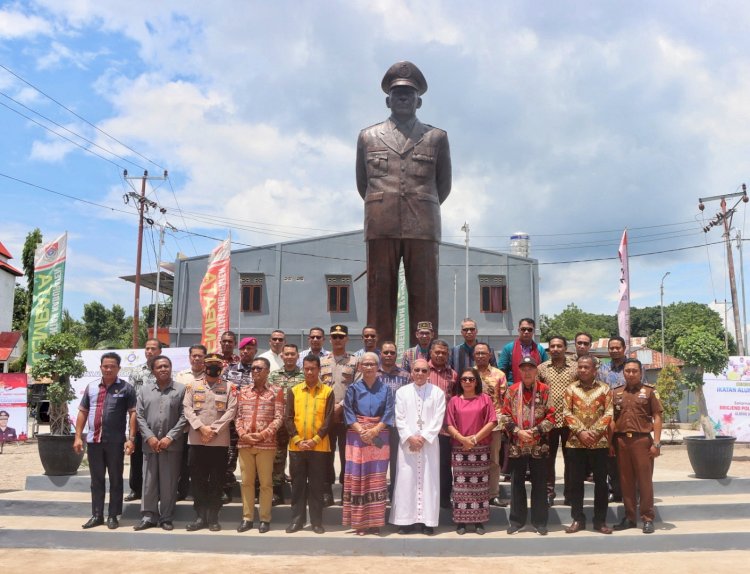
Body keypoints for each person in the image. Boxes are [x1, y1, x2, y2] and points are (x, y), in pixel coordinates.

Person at [356, 61, 452, 344]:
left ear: (418, 101)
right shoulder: (367, 136)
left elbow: (442, 185)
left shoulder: (436, 137)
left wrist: (421, 205)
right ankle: (381, 360)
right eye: (397, 93)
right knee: (379, 298)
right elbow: (363, 183)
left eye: (408, 94)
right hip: (380, 223)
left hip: (422, 225)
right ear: (388, 99)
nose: (402, 98)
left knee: (425, 297)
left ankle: (423, 358)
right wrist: (386, 204)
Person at [73, 352, 137, 530]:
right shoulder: (91, 387)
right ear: (100, 367)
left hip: (116, 442)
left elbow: (133, 413)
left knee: (116, 480)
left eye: (112, 366)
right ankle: (97, 515)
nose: (108, 369)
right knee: (96, 480)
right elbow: (83, 412)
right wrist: (78, 437)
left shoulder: (126, 388)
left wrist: (131, 439)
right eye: (105, 366)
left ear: (118, 368)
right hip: (94, 441)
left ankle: (113, 516)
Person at [390, 359, 446, 535]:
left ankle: (427, 522)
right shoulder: (402, 392)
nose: (420, 374)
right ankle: (405, 521)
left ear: (429, 373)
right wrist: (409, 437)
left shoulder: (437, 393)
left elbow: (439, 418)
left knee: (429, 481)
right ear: (411, 372)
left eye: (424, 370)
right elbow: (399, 417)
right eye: (417, 370)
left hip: (429, 444)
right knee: (407, 480)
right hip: (408, 444)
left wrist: (424, 437)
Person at [500, 356, 555, 536]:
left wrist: (534, 432)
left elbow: (552, 416)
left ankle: (540, 521)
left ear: (536, 371)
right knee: (517, 483)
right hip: (517, 443)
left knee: (540, 483)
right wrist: (518, 432)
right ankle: (516, 521)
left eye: (530, 368)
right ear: (519, 371)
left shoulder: (545, 390)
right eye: (523, 369)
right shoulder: (512, 391)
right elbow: (505, 416)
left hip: (539, 444)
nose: (527, 372)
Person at [183, 353, 237, 532]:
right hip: (197, 440)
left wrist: (213, 430)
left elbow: (231, 411)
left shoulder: (230, 387)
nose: (213, 368)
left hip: (218, 441)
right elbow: (187, 408)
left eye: (216, 365)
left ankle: (213, 517)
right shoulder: (192, 386)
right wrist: (201, 428)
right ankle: (199, 516)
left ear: (221, 367)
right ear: (204, 367)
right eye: (209, 365)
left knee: (216, 481)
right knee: (197, 480)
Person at [343, 352, 395, 535]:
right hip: (356, 436)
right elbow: (348, 413)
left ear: (377, 366)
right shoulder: (353, 389)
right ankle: (360, 523)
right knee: (358, 477)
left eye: (372, 364)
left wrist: (374, 430)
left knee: (377, 478)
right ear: (360, 367)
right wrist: (362, 431)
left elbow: (389, 412)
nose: (369, 367)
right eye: (365, 364)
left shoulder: (386, 389)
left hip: (379, 436)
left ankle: (375, 522)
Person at [133, 355, 187, 532]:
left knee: (169, 483)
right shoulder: (144, 391)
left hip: (171, 446)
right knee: (148, 483)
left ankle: (166, 517)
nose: (163, 369)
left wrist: (169, 437)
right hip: (150, 445)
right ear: (153, 371)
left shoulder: (181, 390)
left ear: (171, 368)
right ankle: (148, 516)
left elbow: (184, 416)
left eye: (166, 366)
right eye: (159, 367)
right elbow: (139, 416)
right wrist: (149, 436)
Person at [563, 355, 614, 535]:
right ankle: (578, 518)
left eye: (587, 367)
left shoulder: (605, 389)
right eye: (580, 367)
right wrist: (581, 432)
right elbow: (566, 412)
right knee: (575, 483)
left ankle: (600, 521)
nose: (583, 370)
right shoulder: (570, 389)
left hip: (599, 443)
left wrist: (595, 432)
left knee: (601, 483)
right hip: (576, 442)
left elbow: (609, 412)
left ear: (594, 370)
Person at [611, 358, 663, 534]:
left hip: (642, 441)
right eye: (627, 371)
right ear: (623, 373)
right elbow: (611, 420)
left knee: (645, 481)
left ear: (641, 372)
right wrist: (611, 442)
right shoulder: (616, 393)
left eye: (634, 371)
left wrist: (656, 443)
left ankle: (647, 518)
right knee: (626, 481)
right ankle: (630, 517)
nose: (631, 374)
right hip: (621, 441)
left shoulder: (649, 392)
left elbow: (657, 416)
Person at [285, 355, 335, 534]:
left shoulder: (327, 392)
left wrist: (314, 440)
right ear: (303, 369)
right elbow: (288, 418)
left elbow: (329, 419)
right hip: (297, 447)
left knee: (316, 486)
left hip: (319, 447)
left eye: (313, 368)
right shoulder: (294, 390)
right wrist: (298, 439)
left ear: (319, 369)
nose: (309, 372)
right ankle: (297, 521)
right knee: (297, 485)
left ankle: (316, 522)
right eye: (306, 368)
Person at [235, 357, 285, 534]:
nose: (255, 371)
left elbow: (279, 418)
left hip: (267, 444)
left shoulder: (276, 391)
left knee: (265, 483)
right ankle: (247, 518)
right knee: (247, 482)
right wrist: (243, 434)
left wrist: (263, 434)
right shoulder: (243, 391)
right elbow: (238, 416)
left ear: (267, 371)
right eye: (253, 368)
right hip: (245, 443)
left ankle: (264, 519)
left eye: (259, 368)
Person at [446, 367, 497, 535]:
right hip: (460, 448)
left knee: (480, 486)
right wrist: (463, 439)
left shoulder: (485, 399)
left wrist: (474, 439)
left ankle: (478, 522)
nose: (467, 382)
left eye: (471, 379)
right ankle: (461, 521)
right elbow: (449, 424)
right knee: (461, 486)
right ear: (460, 382)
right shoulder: (454, 401)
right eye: (464, 379)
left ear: (477, 381)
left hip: (480, 448)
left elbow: (492, 422)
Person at [598, 336, 645, 503]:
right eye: (611, 348)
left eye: (618, 347)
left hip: (631, 417)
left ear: (624, 348)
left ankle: (635, 492)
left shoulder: (632, 367)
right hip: (610, 418)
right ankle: (614, 490)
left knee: (633, 458)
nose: (614, 350)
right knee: (611, 458)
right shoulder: (602, 369)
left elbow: (642, 390)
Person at [537, 335, 578, 506]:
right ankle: (549, 493)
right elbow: (537, 394)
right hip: (549, 421)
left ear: (565, 347)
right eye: (552, 346)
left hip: (570, 420)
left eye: (559, 346)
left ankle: (570, 494)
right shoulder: (542, 368)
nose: (555, 349)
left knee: (571, 459)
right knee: (548, 458)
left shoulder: (575, 368)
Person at [320, 324, 358, 506]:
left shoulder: (354, 361)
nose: (337, 340)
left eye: (341, 336)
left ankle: (345, 490)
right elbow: (318, 387)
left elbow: (356, 388)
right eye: (334, 337)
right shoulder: (322, 362)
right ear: (330, 339)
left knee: (346, 454)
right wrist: (330, 408)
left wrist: (340, 406)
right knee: (326, 454)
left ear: (347, 339)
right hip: (326, 415)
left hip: (346, 416)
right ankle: (326, 489)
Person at [268, 343, 306, 505]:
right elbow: (268, 397)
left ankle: (298, 491)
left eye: (293, 354)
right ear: (282, 356)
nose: (290, 357)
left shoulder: (305, 375)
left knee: (298, 457)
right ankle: (277, 491)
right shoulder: (273, 376)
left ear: (298, 356)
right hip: (279, 424)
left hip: (299, 423)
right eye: (287, 354)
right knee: (278, 457)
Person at [222, 336, 258, 503]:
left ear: (255, 351)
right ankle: (226, 488)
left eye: (249, 349)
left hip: (253, 422)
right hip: (231, 421)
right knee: (229, 455)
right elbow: (222, 393)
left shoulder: (260, 370)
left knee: (254, 455)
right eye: (243, 348)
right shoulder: (229, 370)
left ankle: (256, 490)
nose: (246, 351)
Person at [125, 337, 161, 502]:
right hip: (139, 421)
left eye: (153, 348)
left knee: (158, 458)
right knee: (137, 457)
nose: (149, 351)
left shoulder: (164, 370)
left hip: (158, 422)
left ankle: (158, 489)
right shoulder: (136, 372)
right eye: (147, 348)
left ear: (160, 351)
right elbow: (131, 397)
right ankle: (135, 489)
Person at [473, 342, 508, 507]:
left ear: (489, 355)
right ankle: (474, 492)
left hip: (493, 425)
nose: (480, 356)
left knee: (493, 461)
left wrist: (500, 422)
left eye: (483, 353)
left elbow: (504, 401)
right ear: (474, 355)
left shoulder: (499, 375)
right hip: (472, 425)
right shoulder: (468, 373)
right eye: (478, 353)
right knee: (473, 460)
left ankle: (493, 494)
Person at [427, 338, 457, 509]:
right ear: (431, 352)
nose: (440, 355)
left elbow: (455, 400)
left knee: (445, 464)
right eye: (437, 352)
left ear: (448, 355)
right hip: (425, 428)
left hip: (445, 428)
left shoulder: (453, 375)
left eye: (443, 353)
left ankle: (445, 499)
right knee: (426, 464)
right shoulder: (422, 371)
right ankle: (428, 498)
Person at [174, 344, 208, 500]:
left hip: (200, 427)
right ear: (189, 358)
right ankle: (181, 490)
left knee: (198, 462)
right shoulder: (181, 376)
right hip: (183, 426)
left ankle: (197, 490)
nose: (196, 358)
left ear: (205, 358)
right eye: (194, 355)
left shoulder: (210, 376)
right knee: (181, 461)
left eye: (200, 356)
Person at [377, 340, 410, 497]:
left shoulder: (405, 376)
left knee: (397, 461)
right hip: (378, 428)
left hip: (397, 427)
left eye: (392, 352)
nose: (389, 355)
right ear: (380, 354)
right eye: (386, 352)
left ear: (396, 355)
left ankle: (396, 493)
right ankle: (378, 492)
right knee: (378, 459)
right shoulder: (372, 374)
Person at [498, 318, 549, 384]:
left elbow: (546, 370)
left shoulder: (540, 349)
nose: (526, 332)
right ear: (519, 330)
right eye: (523, 329)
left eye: (529, 329)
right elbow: (501, 370)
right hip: (513, 389)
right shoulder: (508, 348)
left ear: (533, 331)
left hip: (535, 389)